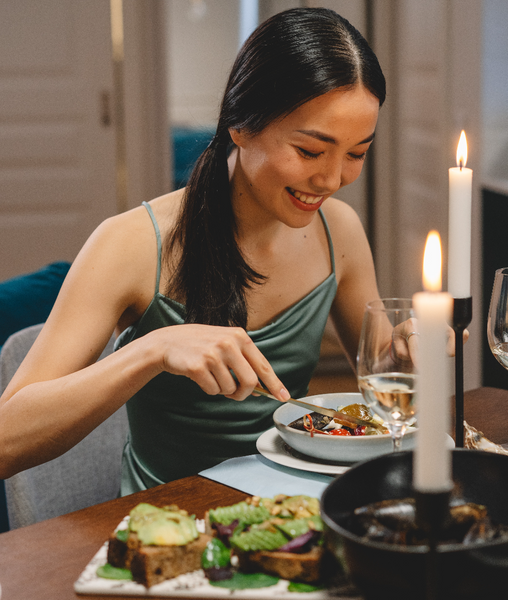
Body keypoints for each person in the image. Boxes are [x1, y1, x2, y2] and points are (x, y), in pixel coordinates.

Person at [0, 7, 386, 493]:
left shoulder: (340, 232)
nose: (332, 180)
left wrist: (413, 352)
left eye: (356, 153)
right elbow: (5, 442)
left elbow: (383, 390)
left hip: (291, 518)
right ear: (241, 126)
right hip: (166, 530)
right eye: (310, 151)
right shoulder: (130, 243)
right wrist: (152, 349)